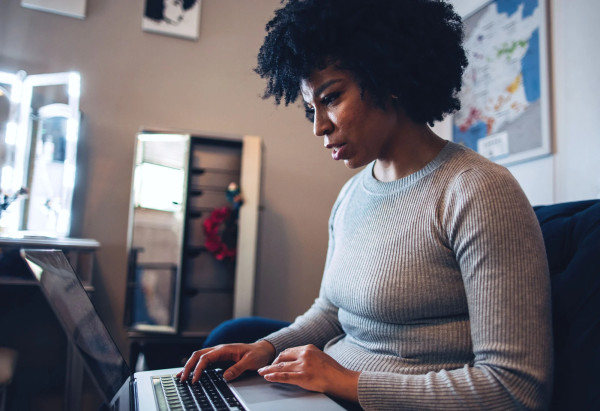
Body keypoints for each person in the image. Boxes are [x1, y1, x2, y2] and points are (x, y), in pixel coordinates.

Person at [178, 0, 553, 409]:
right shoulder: (352, 195)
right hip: (324, 395)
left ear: (387, 74)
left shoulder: (478, 191)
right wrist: (266, 348)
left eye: (332, 97)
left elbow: (514, 389)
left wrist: (348, 382)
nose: (319, 126)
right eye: (311, 109)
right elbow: (331, 311)